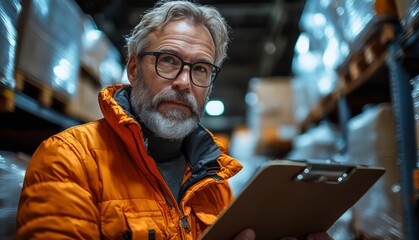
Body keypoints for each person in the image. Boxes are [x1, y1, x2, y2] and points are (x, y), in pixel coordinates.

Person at [16, 1, 333, 239]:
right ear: (134, 69)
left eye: (200, 69)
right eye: (168, 61)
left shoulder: (215, 186)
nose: (184, 82)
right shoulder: (69, 160)